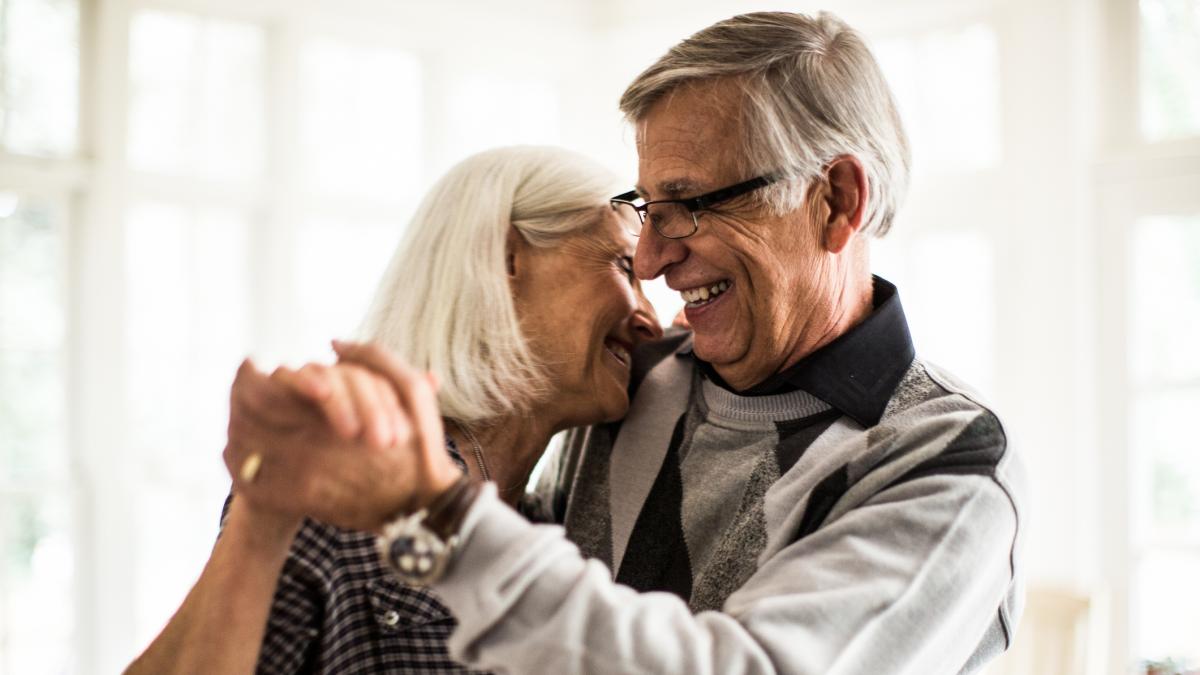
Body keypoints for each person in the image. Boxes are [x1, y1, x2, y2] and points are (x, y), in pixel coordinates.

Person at [226, 10, 1028, 674]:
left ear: (837, 200)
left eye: (689, 204)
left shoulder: (945, 461)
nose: (649, 261)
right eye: (646, 209)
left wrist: (434, 513)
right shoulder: (641, 384)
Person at [124, 145, 662, 674]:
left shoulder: (548, 530)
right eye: (624, 267)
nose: (651, 321)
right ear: (506, 259)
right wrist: (262, 515)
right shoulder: (345, 486)